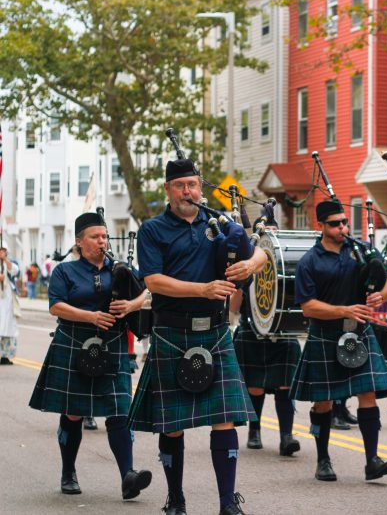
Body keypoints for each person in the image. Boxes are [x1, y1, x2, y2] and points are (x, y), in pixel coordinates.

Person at [129, 159, 266, 515]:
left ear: (200, 187)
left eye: (192, 184)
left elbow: (262, 247)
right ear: (168, 190)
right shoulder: (153, 230)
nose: (187, 191)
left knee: (225, 418)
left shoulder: (218, 224)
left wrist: (253, 263)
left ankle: (226, 503)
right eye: (180, 185)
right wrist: (202, 288)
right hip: (173, 330)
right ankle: (175, 498)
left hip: (216, 331)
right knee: (173, 426)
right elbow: (154, 282)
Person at [28, 212, 152, 500]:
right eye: (95, 237)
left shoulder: (121, 269)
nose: (101, 241)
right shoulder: (65, 272)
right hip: (75, 342)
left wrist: (129, 306)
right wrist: (90, 316)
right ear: (79, 242)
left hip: (113, 346)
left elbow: (147, 294)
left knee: (120, 411)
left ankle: (128, 477)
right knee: (73, 412)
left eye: (104, 236)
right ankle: (68, 471)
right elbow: (55, 306)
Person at [290, 200, 387, 483]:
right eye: (335, 224)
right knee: (323, 401)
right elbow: (308, 307)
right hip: (325, 335)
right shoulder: (309, 262)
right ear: (320, 226)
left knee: (368, 393)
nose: (342, 228)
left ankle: (372, 460)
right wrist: (344, 310)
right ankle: (323, 459)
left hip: (359, 332)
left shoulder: (360, 250)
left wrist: (380, 296)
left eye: (344, 222)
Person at [230, 216, 302, 456]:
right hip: (252, 330)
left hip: (282, 332)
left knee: (285, 386)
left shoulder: (289, 264)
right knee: (255, 387)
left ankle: (286, 437)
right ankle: (255, 430)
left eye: (274, 231)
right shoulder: (247, 262)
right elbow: (233, 307)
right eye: (266, 232)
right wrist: (241, 281)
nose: (270, 235)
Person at [0, 247, 21, 364]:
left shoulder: (9, 262)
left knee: (8, 328)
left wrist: (5, 259)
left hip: (7, 302)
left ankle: (5, 356)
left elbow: (14, 270)